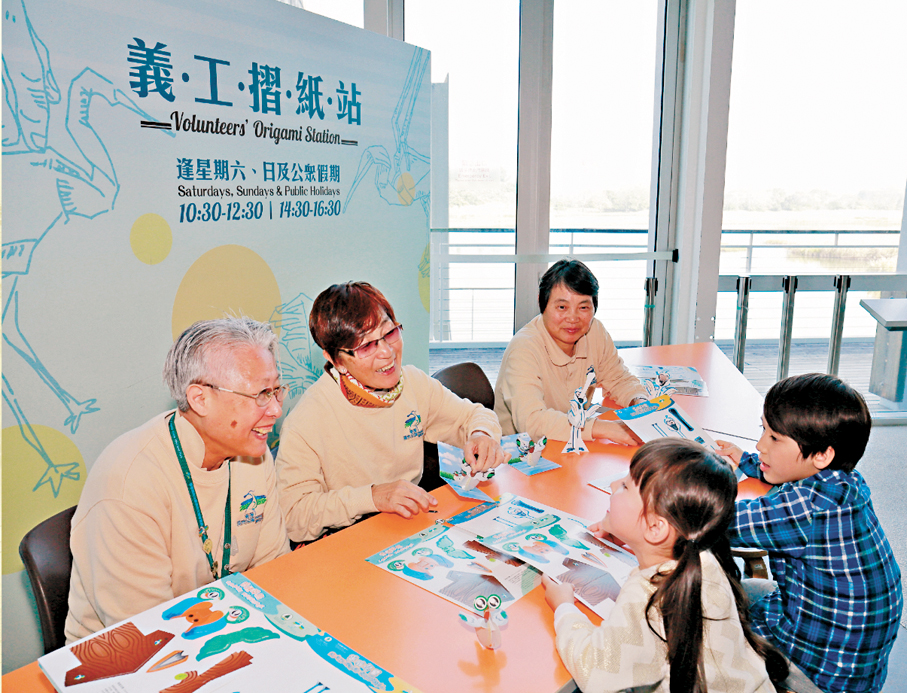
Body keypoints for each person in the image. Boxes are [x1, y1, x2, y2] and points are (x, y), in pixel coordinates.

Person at [65, 318, 291, 643]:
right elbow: (149, 635)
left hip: (224, 634)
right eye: (259, 395)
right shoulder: (129, 484)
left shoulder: (252, 450)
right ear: (199, 399)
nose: (275, 410)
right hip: (129, 663)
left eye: (275, 390)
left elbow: (275, 576)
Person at [543, 438, 788, 693]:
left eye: (625, 486)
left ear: (656, 528)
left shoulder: (648, 596)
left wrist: (564, 608)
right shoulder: (705, 559)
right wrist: (636, 540)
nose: (614, 485)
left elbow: (594, 673)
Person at [276, 282, 506, 543]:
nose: (387, 353)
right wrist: (372, 497)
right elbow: (294, 515)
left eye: (390, 333)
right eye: (366, 347)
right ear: (335, 359)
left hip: (410, 527)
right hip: (347, 540)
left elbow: (474, 415)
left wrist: (482, 434)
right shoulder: (306, 421)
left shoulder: (414, 384)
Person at [717, 373, 903, 693]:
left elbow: (718, 521)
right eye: (764, 430)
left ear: (822, 455)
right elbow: (788, 473)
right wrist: (747, 461)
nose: (761, 444)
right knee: (741, 593)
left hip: (819, 671)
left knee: (708, 626)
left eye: (774, 438)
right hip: (854, 661)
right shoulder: (844, 482)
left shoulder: (806, 510)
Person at [494, 258, 647, 445]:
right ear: (542, 304)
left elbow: (617, 378)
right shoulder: (524, 349)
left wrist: (640, 402)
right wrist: (603, 428)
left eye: (583, 307)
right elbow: (531, 422)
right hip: (523, 452)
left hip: (573, 444)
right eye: (562, 307)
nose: (573, 318)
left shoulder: (595, 331)